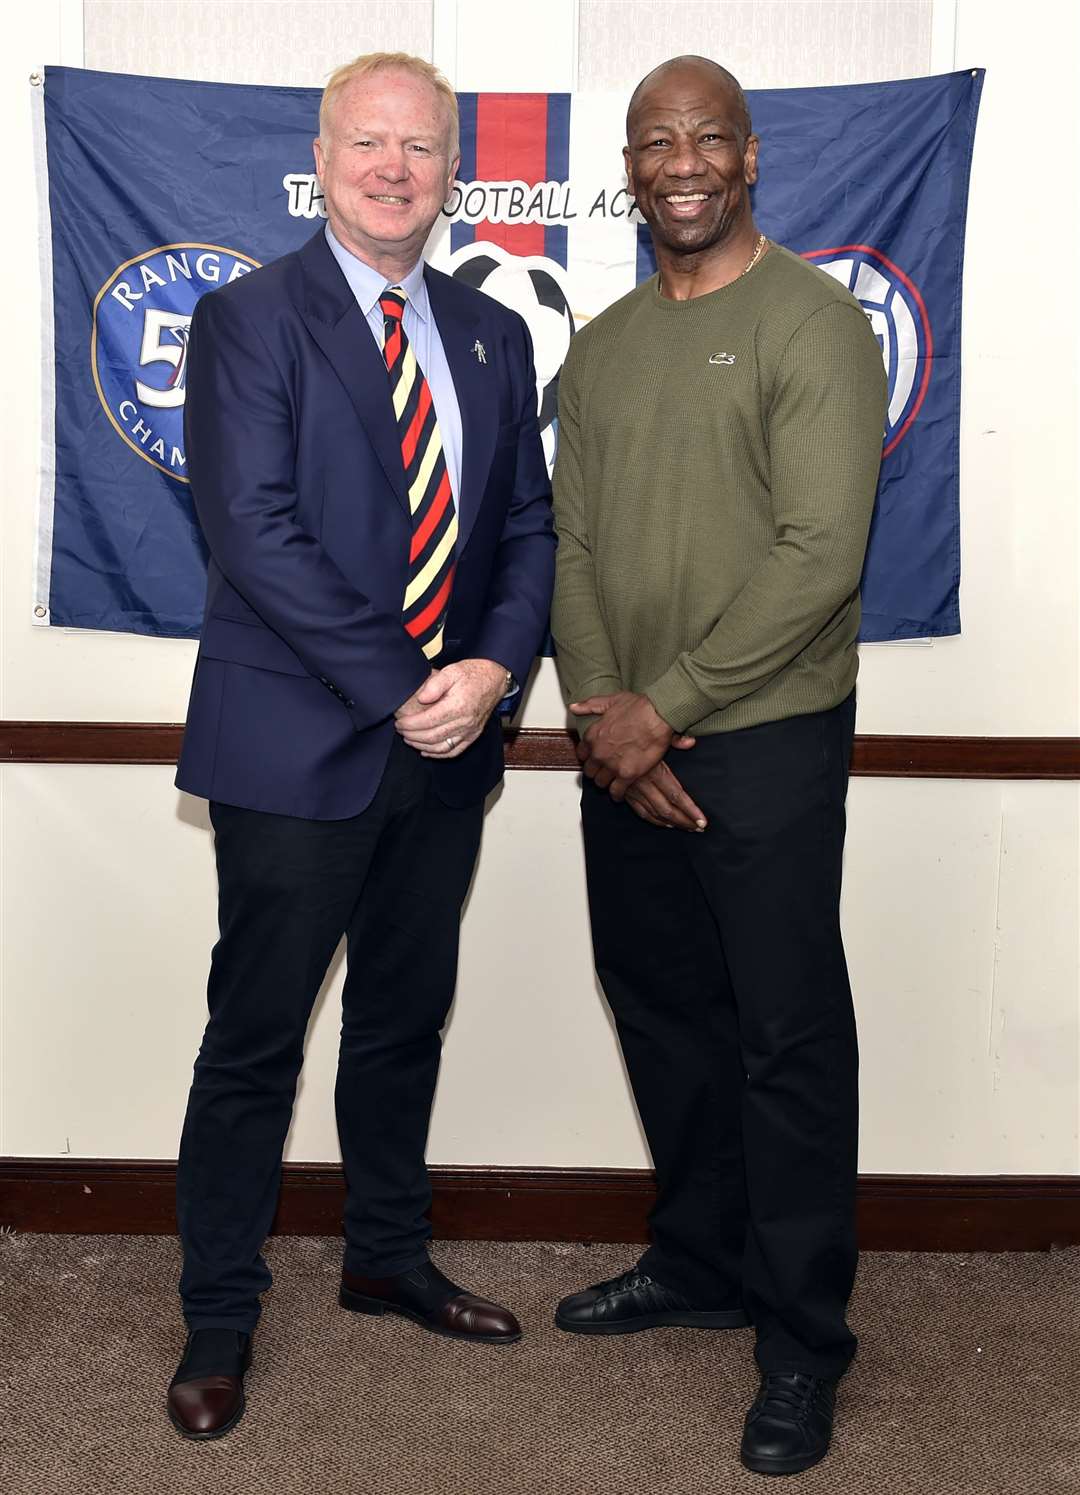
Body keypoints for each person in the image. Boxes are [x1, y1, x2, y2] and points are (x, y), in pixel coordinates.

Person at [167, 51, 555, 1440]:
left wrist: (496, 669)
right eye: (369, 143)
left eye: (423, 148)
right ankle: (219, 1313)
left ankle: (386, 1256)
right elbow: (253, 531)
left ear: (454, 171)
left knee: (401, 1020)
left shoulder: (494, 334)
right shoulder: (249, 319)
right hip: (299, 746)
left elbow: (522, 527)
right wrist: (410, 684)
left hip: (448, 746)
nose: (396, 168)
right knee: (256, 1039)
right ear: (322, 159)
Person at [550, 55, 887, 1477]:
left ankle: (803, 1340)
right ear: (631, 167)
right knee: (666, 1017)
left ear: (749, 157)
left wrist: (663, 707)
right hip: (621, 747)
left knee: (784, 1041)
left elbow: (822, 556)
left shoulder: (814, 324)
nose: (680, 163)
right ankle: (696, 1261)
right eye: (654, 142)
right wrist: (599, 715)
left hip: (765, 744)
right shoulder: (608, 343)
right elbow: (565, 545)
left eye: (706, 140)